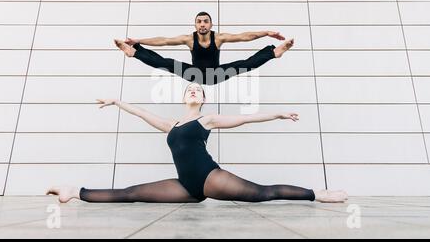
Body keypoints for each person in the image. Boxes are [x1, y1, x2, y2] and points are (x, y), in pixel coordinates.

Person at [47, 83, 348, 204]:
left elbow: (244, 119)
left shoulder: (206, 120)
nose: (193, 92)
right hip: (185, 185)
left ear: (203, 99)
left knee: (262, 193)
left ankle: (317, 194)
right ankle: (76, 192)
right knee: (131, 193)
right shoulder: (172, 125)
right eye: (189, 90)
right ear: (183, 98)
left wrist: (278, 114)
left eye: (198, 91)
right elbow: (142, 113)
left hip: (209, 177)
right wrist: (117, 102)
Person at [114, 12, 294, 85]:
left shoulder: (219, 37)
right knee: (166, 63)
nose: (202, 24)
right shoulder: (189, 39)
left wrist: (267, 33)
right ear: (195, 24)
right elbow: (164, 41)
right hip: (194, 74)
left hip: (216, 74)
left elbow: (244, 36)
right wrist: (138, 40)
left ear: (211, 24)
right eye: (199, 21)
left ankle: (274, 52)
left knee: (244, 65)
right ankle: (134, 52)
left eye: (205, 21)